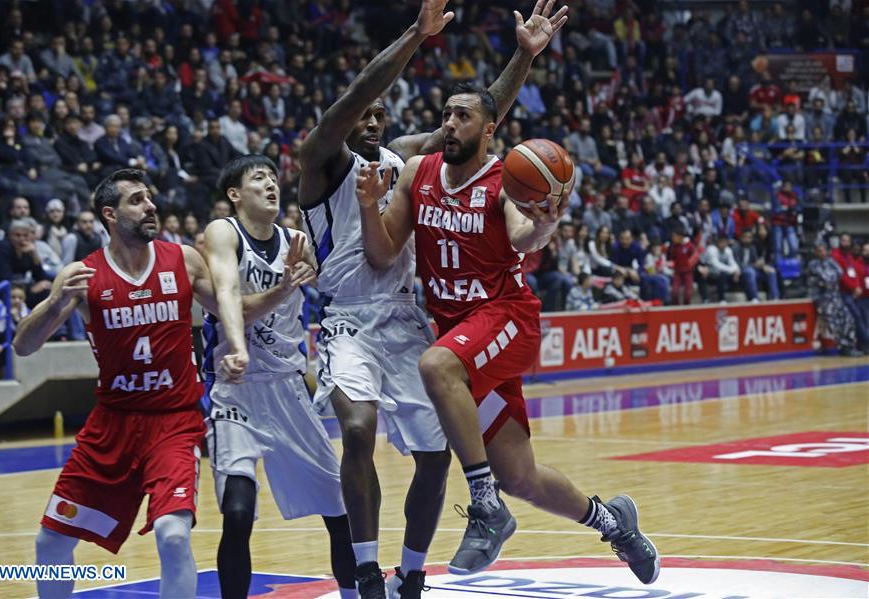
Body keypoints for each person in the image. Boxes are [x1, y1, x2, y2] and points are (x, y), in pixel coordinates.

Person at [297, 1, 568, 597]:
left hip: (405, 315)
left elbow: (476, 123)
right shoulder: (319, 164)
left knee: (436, 450)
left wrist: (524, 55)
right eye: (361, 116)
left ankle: (413, 572)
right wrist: (417, 36)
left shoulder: (404, 162)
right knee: (359, 429)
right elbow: (361, 94)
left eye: (380, 117)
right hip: (345, 321)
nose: (372, 121)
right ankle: (366, 569)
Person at [355, 84, 659, 585]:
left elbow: (523, 236)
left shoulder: (505, 182)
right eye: (447, 114)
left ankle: (484, 505)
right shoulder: (418, 172)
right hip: (461, 335)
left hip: (506, 319)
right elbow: (383, 253)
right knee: (521, 476)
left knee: (435, 365)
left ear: (489, 129)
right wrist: (369, 206)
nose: (450, 123)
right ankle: (616, 523)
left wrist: (545, 224)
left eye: (464, 116)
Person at [11, 169, 279, 599]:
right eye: (137, 200)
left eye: (150, 198)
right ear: (110, 215)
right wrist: (56, 303)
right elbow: (23, 346)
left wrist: (284, 289)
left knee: (173, 537)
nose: (151, 206)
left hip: (173, 423)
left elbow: (236, 310)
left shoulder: (183, 260)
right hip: (110, 425)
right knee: (50, 542)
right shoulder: (81, 275)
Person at [201, 155, 357, 598]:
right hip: (238, 391)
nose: (271, 184)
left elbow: (336, 289)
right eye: (258, 179)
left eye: (273, 178)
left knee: (339, 511)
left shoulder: (298, 241)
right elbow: (230, 294)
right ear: (235, 194)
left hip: (290, 389)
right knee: (237, 513)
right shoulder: (222, 232)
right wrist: (238, 342)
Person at [806, 241, 861, 356]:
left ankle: (850, 345)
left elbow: (840, 273)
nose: (822, 253)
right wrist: (831, 278)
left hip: (836, 296)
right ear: (815, 252)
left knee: (848, 319)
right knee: (834, 324)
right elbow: (827, 279)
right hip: (823, 299)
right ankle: (843, 348)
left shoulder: (831, 262)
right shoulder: (813, 264)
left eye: (823, 250)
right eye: (819, 251)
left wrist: (831, 278)